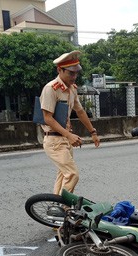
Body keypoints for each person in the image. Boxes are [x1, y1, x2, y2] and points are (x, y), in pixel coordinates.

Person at [39, 50, 100, 195]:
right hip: (54, 141)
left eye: (76, 73)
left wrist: (93, 132)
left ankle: (57, 207)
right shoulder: (50, 89)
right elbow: (47, 118)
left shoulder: (72, 89)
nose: (74, 76)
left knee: (63, 175)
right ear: (59, 70)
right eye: (71, 73)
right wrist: (69, 135)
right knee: (72, 174)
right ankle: (62, 206)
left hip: (64, 140)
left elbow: (80, 112)